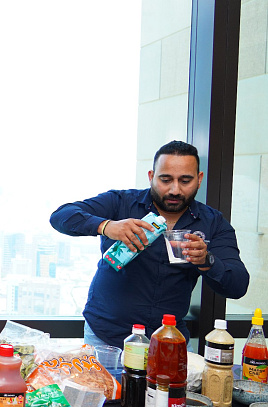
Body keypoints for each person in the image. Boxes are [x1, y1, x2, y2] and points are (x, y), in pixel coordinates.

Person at [49, 141, 249, 348]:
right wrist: (107, 226)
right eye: (166, 180)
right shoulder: (121, 202)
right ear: (151, 176)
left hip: (169, 341)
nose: (175, 190)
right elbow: (61, 216)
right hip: (105, 335)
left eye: (185, 181)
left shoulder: (213, 223)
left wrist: (207, 261)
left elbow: (238, 286)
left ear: (199, 179)